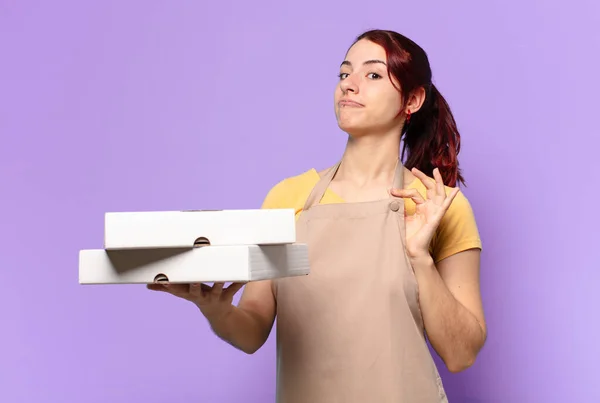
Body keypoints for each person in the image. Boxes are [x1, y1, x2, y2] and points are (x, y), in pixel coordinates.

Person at [148, 29, 487, 402]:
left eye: (372, 75)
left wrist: (419, 258)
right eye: (344, 74)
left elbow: (461, 354)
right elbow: (252, 331)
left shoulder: (439, 206)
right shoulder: (287, 197)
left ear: (413, 99)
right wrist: (215, 309)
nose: (349, 85)